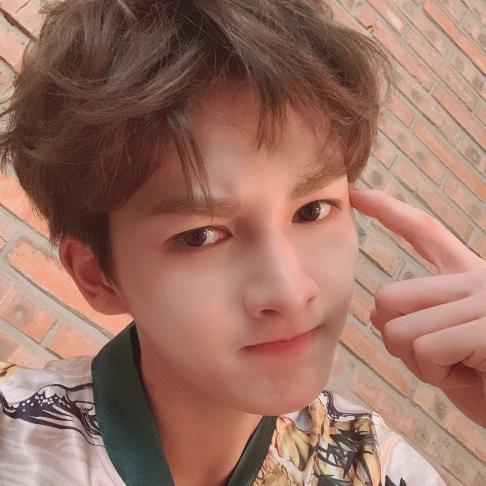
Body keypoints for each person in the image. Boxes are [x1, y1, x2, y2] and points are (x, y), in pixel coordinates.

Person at [0, 0, 484, 484]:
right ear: (97, 276)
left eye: (312, 210)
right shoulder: (17, 441)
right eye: (200, 236)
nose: (290, 292)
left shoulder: (377, 467)